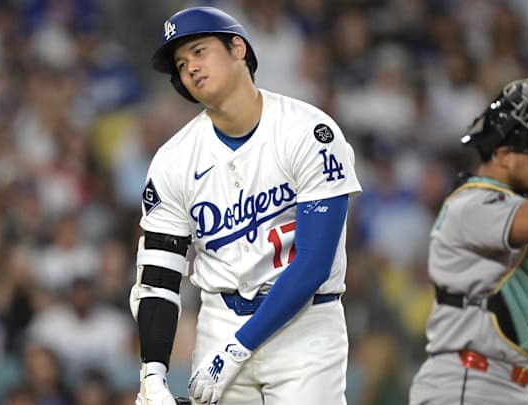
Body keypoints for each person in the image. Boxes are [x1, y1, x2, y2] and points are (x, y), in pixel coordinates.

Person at [129, 6, 362, 405]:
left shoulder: (309, 132)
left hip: (303, 323)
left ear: (238, 48)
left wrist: (236, 350)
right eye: (182, 65)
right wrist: (153, 373)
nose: (191, 69)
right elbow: (158, 277)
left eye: (199, 52)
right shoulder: (173, 160)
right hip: (220, 317)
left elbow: (313, 263)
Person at [408, 78, 528, 405]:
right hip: (468, 381)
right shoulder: (472, 204)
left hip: (498, 383)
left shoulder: (496, 203)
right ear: (504, 155)